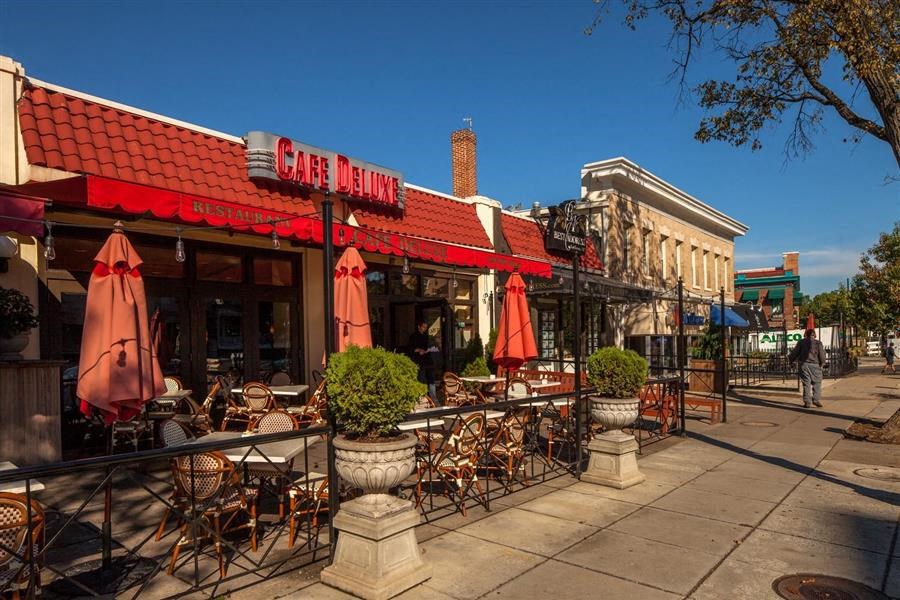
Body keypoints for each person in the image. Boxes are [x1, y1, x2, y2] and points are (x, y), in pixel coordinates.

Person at [789, 329, 825, 408]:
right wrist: (822, 363)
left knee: (806, 383)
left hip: (804, 364)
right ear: (814, 335)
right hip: (815, 365)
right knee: (817, 383)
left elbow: (795, 352)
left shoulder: (801, 342)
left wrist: (791, 360)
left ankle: (807, 402)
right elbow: (822, 354)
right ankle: (816, 399)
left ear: (806, 334)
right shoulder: (818, 343)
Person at [407, 321, 438, 400]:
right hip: (419, 361)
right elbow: (411, 349)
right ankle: (422, 398)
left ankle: (433, 399)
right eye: (423, 327)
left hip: (428, 361)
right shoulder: (413, 336)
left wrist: (431, 349)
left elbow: (431, 346)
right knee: (421, 379)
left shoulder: (427, 337)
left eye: (426, 327)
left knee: (431, 380)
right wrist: (418, 350)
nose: (424, 329)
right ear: (419, 326)